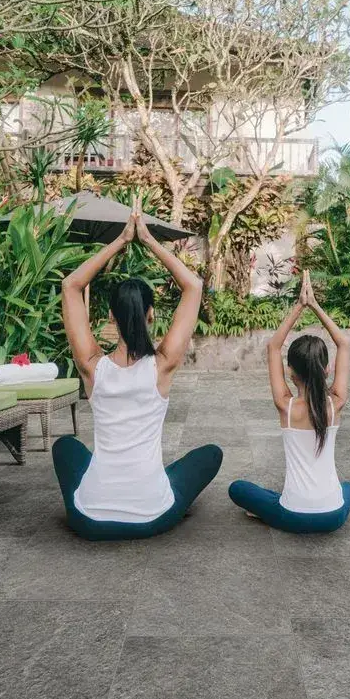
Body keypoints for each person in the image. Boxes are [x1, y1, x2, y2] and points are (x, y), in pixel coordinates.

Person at [52, 197, 221, 540]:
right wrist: (147, 239)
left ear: (110, 316)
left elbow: (71, 285)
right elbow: (193, 286)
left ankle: (119, 489)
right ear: (151, 314)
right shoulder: (162, 365)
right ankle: (154, 482)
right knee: (210, 455)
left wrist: (120, 240)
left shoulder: (92, 367)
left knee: (65, 447)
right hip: (152, 516)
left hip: (89, 520)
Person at [228, 271, 350, 532]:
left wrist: (299, 306)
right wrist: (314, 305)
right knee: (349, 488)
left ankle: (268, 510)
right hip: (333, 517)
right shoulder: (336, 403)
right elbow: (343, 344)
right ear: (327, 370)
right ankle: (276, 506)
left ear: (290, 372)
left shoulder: (285, 406)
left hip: (293, 515)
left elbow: (273, 347)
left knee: (238, 488)